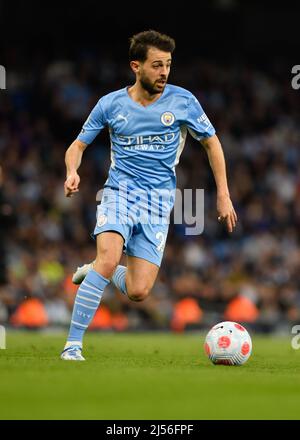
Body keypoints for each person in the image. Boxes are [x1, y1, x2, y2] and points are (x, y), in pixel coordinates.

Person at [61, 30, 237, 361]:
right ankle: (73, 345)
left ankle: (101, 269)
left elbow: (212, 143)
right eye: (157, 65)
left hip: (159, 204)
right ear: (136, 66)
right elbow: (78, 145)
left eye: (168, 65)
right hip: (119, 193)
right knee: (110, 254)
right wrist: (73, 171)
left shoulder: (183, 101)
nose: (164, 72)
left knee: (139, 291)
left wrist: (223, 195)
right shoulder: (110, 104)